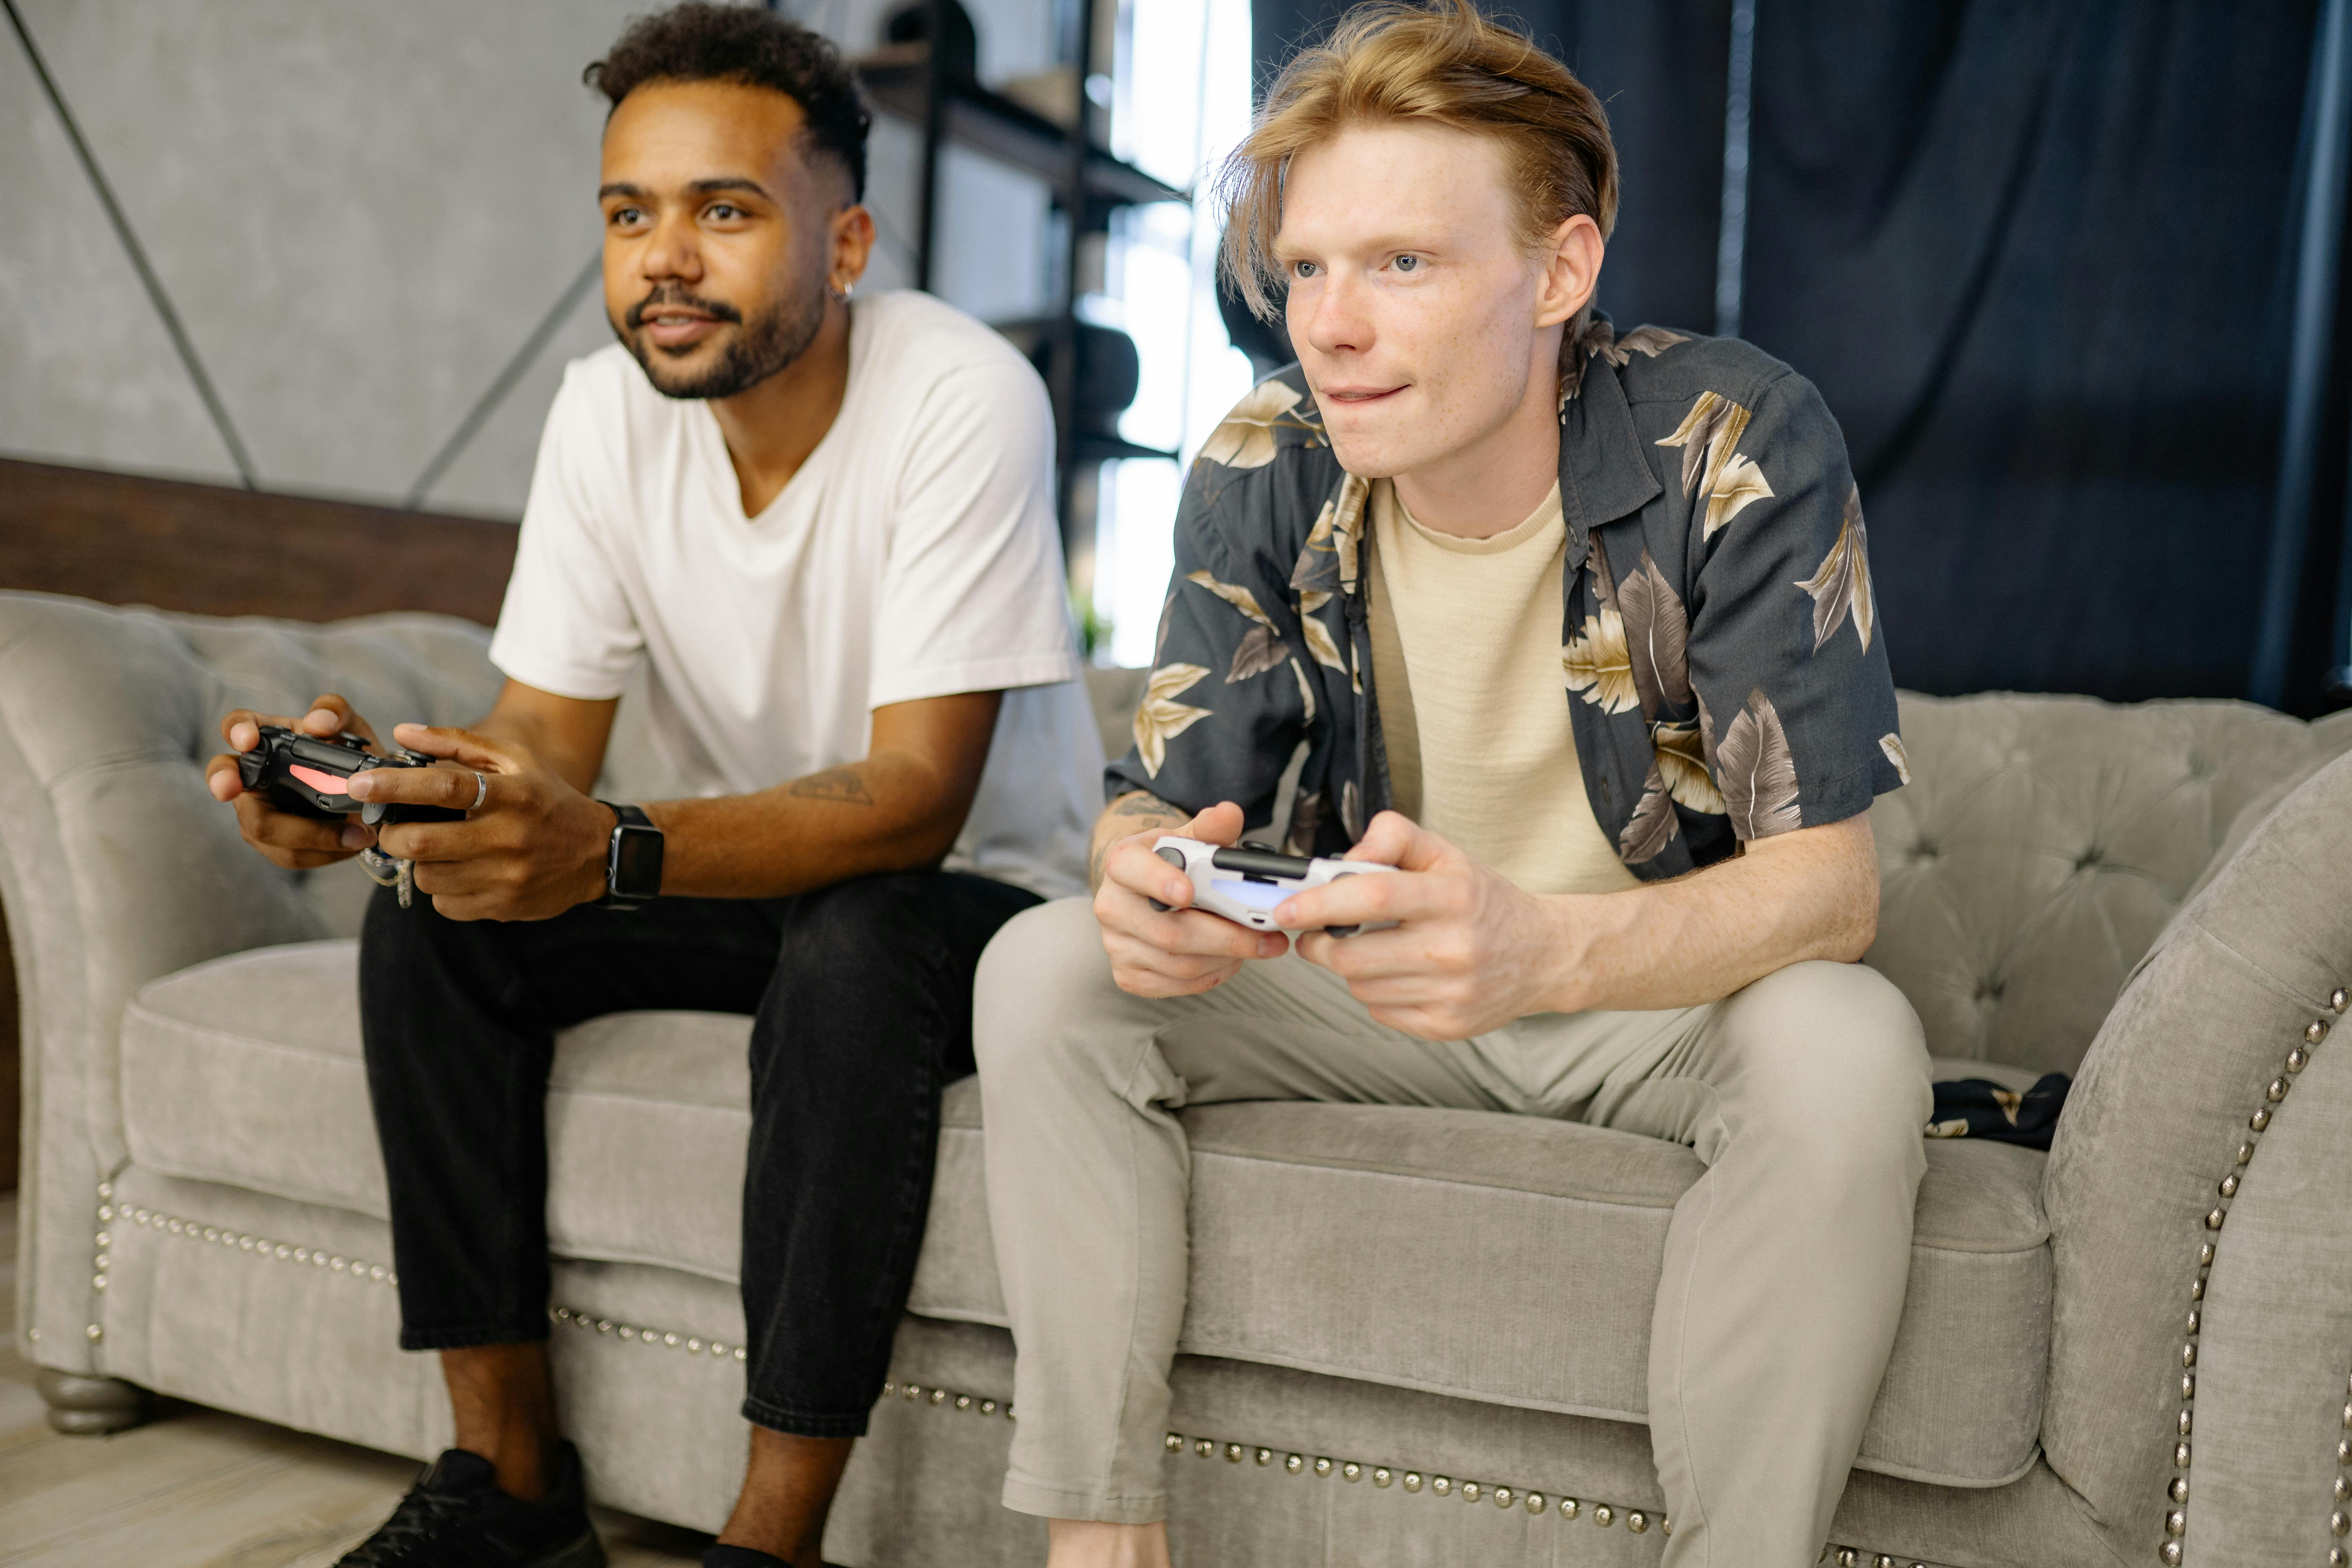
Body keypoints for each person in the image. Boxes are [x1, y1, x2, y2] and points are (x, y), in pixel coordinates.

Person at [971, 4, 1929, 1566]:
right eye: (1306, 271)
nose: (1331, 326)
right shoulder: (1260, 459)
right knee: (1045, 968)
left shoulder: (1734, 440)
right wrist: (1143, 870)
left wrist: (1543, 948)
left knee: (1851, 1043)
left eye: (1401, 264)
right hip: (1381, 987)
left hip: (1648, 1000)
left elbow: (1832, 887)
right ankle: (1103, 1540)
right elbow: (1166, 793)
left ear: (1560, 272)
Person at [206, 7, 1098, 1566]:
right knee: (433, 921)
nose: (665, 258)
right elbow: (543, 735)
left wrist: (606, 849)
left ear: (849, 243)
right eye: (631, 215)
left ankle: (769, 1538)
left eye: (725, 210)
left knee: (859, 937)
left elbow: (914, 799)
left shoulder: (964, 397)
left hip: (977, 901)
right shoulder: (603, 413)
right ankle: (514, 1487)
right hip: (711, 869)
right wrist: (393, 798)